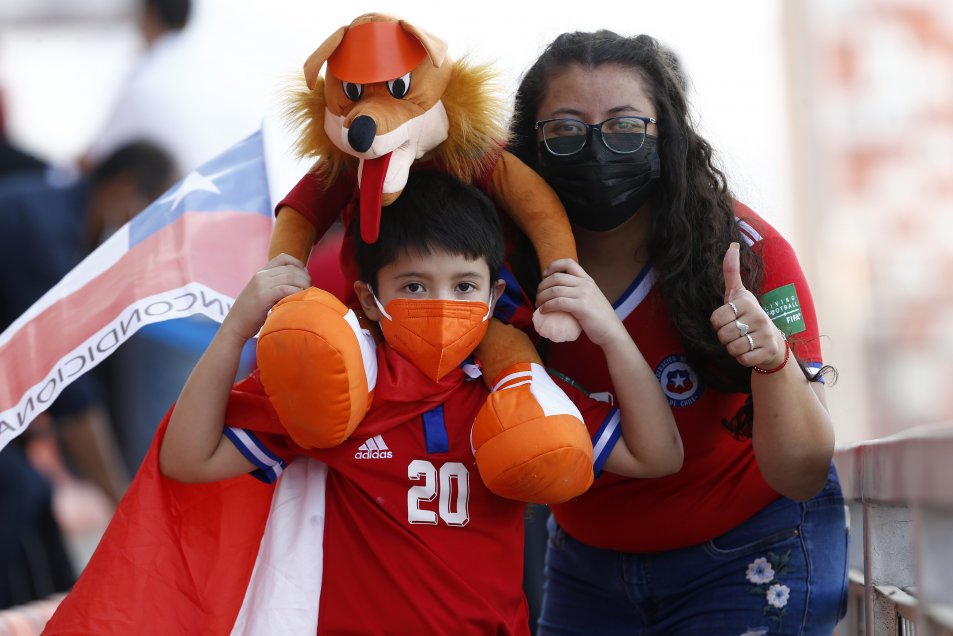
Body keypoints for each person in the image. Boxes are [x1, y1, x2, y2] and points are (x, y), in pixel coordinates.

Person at [154, 170, 681, 633]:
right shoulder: (340, 385)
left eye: (464, 285)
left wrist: (610, 333)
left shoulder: (517, 392)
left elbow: (657, 455)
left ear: (494, 297)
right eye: (413, 285)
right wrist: (235, 331)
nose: (442, 304)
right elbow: (186, 459)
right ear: (367, 297)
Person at [507, 31, 849, 634]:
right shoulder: (496, 261)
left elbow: (800, 471)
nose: (596, 149)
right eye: (564, 129)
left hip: (748, 553)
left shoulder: (747, 254)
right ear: (528, 145)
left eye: (625, 127)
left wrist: (772, 364)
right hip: (587, 567)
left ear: (667, 137)